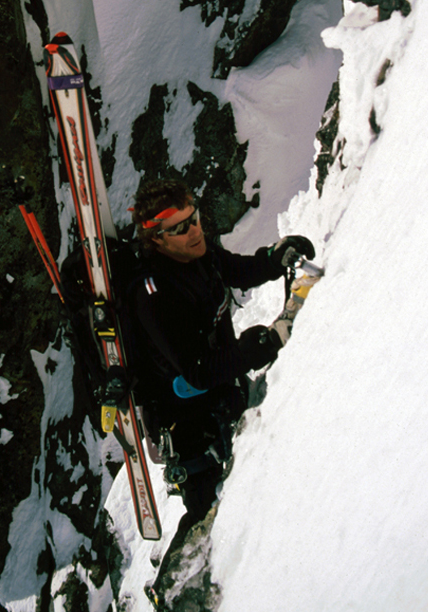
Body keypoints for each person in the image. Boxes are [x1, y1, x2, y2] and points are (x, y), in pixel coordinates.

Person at [129, 177, 315, 523]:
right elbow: (197, 371)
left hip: (224, 398)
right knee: (220, 522)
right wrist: (257, 346)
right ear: (158, 239)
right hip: (192, 436)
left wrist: (275, 258)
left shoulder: (199, 253)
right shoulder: (153, 295)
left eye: (195, 218)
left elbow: (237, 270)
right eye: (181, 228)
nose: (195, 231)